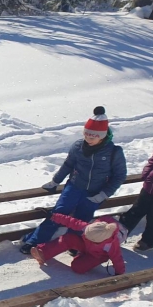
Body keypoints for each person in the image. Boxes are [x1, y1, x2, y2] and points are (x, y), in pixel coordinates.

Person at [20, 107, 127, 254]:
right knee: (57, 215)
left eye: (92, 137)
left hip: (95, 193)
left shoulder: (114, 152)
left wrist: (103, 194)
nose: (88, 139)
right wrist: (55, 181)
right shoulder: (78, 146)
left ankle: (74, 244)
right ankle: (34, 241)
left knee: (82, 220)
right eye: (86, 135)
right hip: (74, 187)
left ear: (102, 137)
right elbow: (68, 165)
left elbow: (119, 175)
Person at [120, 137, 153, 252]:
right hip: (149, 187)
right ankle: (118, 234)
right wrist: (147, 172)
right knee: (134, 212)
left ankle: (148, 242)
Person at [32, 213, 126, 275]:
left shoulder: (111, 245)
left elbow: (117, 259)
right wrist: (53, 216)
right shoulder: (89, 228)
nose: (85, 235)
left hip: (96, 256)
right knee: (68, 239)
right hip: (84, 245)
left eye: (87, 236)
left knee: (78, 267)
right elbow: (71, 221)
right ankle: (43, 252)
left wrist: (119, 274)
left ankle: (82, 258)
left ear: (97, 241)